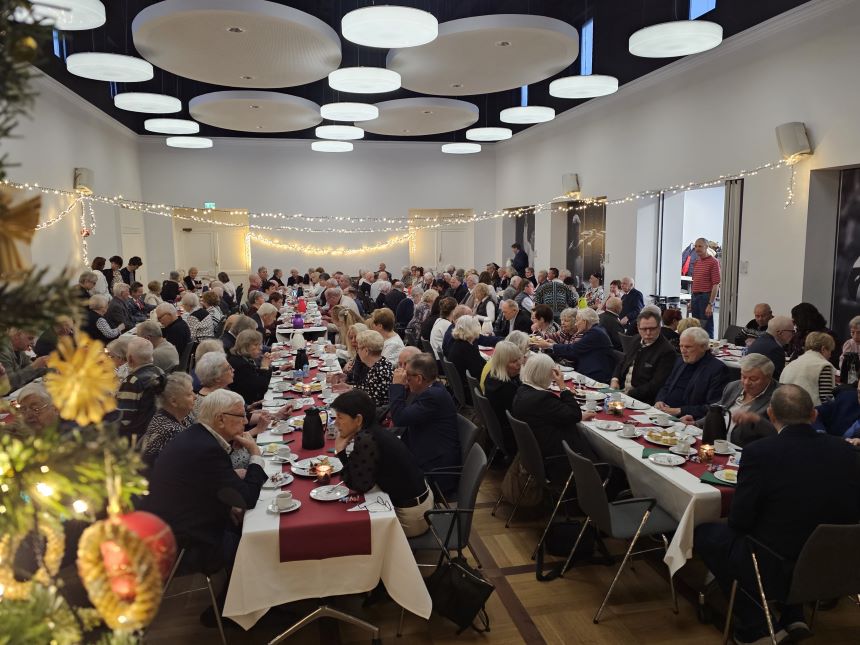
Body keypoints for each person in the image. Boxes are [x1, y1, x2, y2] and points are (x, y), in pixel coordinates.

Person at [694, 385, 860, 645]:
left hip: (775, 562)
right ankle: (793, 613)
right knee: (794, 529)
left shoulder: (761, 453)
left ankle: (756, 626)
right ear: (814, 415)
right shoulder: (848, 451)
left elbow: (739, 521)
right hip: (837, 561)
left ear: (770, 414)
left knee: (706, 534)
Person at [142, 389, 268, 574]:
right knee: (259, 544)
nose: (246, 421)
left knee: (244, 522)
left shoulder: (197, 435)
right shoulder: (207, 449)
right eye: (240, 416)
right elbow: (246, 498)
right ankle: (244, 597)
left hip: (167, 526)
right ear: (220, 419)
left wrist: (229, 505)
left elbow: (206, 484)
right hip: (185, 542)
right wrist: (255, 454)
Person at [331, 389, 432, 537]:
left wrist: (340, 451)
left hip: (412, 516)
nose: (336, 423)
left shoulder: (366, 438)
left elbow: (359, 485)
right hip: (422, 502)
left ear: (358, 420)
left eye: (340, 417)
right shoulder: (374, 430)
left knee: (350, 532)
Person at [510, 353, 595, 485]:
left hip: (538, 456)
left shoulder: (522, 391)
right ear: (546, 374)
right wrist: (562, 386)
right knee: (616, 471)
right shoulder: (542, 399)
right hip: (559, 460)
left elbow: (555, 415)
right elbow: (574, 414)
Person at [390, 353, 460, 490]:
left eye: (408, 378)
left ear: (419, 379)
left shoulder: (433, 396)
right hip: (426, 453)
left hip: (435, 470)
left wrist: (397, 386)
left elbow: (400, 418)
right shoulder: (432, 389)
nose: (406, 380)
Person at [682, 354, 780, 447]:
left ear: (768, 378)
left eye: (753, 379)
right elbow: (718, 411)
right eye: (743, 376)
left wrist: (757, 420)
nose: (746, 383)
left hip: (745, 451)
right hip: (718, 444)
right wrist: (696, 423)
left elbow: (779, 433)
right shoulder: (733, 386)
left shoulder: (779, 397)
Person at [654, 327, 729, 418]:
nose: (683, 350)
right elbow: (666, 386)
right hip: (664, 413)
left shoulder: (717, 369)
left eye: (688, 347)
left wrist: (679, 411)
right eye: (681, 346)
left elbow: (712, 407)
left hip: (688, 419)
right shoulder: (680, 361)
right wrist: (659, 401)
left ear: (703, 347)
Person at [611, 310, 678, 405]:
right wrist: (615, 379)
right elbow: (623, 361)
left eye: (652, 329)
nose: (648, 333)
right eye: (644, 329)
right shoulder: (635, 340)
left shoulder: (667, 351)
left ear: (659, 328)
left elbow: (656, 385)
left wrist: (627, 394)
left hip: (642, 401)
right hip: (621, 394)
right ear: (638, 328)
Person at [542, 307, 616, 383]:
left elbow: (573, 350)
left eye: (577, 321)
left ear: (585, 322)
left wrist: (550, 345)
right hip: (588, 372)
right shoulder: (596, 330)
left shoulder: (594, 333)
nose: (576, 324)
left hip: (596, 377)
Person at [139, 372, 195, 467]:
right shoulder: (171, 431)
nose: (195, 397)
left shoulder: (184, 417)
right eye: (189, 395)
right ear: (173, 401)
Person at [116, 337, 165, 439]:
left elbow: (124, 419)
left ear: (130, 358)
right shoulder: (160, 372)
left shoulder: (133, 381)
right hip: (155, 431)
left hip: (134, 437)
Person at [481, 340, 523, 456]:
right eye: (514, 361)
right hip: (510, 436)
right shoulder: (507, 388)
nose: (520, 363)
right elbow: (522, 415)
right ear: (503, 363)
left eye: (520, 358)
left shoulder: (492, 375)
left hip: (498, 431)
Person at [779, 331, 836, 405]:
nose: (830, 355)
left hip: (786, 410)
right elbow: (827, 400)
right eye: (830, 351)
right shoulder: (824, 365)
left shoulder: (790, 365)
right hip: (810, 413)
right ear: (823, 349)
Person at [445, 315, 485, 404]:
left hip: (460, 389)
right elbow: (480, 372)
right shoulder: (466, 348)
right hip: (471, 392)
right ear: (472, 329)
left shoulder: (459, 344)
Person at [227, 329, 272, 405]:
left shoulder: (242, 358)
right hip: (247, 405)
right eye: (256, 345)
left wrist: (275, 368)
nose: (260, 348)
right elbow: (260, 389)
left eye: (260, 344)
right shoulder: (240, 364)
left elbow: (256, 374)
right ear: (245, 346)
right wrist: (264, 367)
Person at [354, 330, 394, 406]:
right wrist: (349, 388)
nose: (357, 351)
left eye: (358, 348)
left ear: (366, 351)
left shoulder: (380, 371)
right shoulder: (380, 364)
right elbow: (367, 389)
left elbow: (373, 403)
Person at [690, 238, 721, 337]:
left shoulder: (713, 262)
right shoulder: (696, 262)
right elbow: (695, 282)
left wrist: (710, 304)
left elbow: (716, 284)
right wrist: (691, 300)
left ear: (706, 247)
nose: (697, 248)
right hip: (695, 296)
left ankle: (708, 349)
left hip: (705, 297)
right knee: (696, 326)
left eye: (700, 246)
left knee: (706, 327)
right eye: (695, 246)